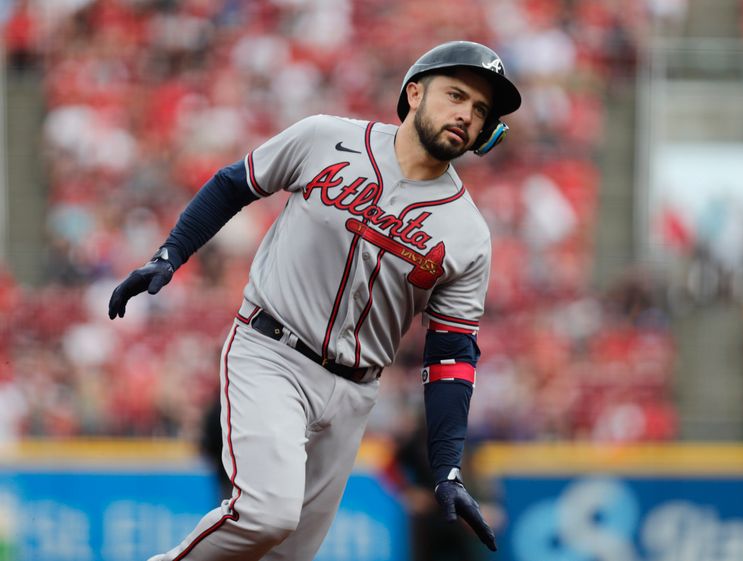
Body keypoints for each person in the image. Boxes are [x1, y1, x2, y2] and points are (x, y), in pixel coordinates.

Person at [108, 40, 521, 561]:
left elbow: (451, 357)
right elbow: (236, 183)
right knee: (264, 515)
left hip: (355, 392)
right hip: (271, 350)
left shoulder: (468, 233)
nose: (466, 113)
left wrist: (446, 465)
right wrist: (170, 254)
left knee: (287, 555)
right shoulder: (326, 137)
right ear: (414, 93)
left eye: (481, 110)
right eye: (456, 94)